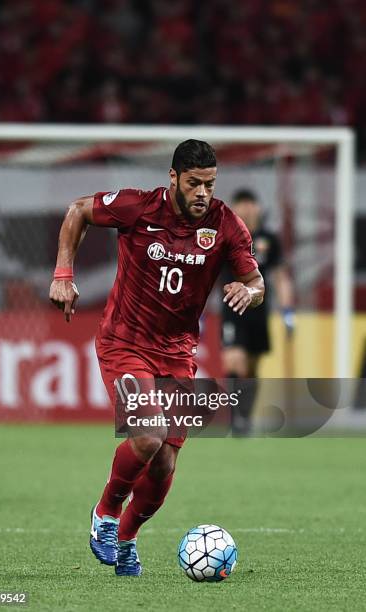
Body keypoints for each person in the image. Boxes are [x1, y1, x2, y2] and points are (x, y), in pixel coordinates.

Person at [49, 140, 264, 576]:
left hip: (178, 354)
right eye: (194, 183)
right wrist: (63, 274)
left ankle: (126, 538)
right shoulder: (138, 208)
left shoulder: (226, 225)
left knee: (164, 461)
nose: (203, 192)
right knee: (148, 435)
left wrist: (251, 291)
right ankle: (105, 514)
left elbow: (255, 280)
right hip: (125, 343)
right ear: (174, 178)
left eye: (210, 183)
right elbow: (77, 211)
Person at [221, 188, 294, 435]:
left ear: (258, 207)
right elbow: (207, 276)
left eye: (250, 203)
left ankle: (245, 416)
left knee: (251, 368)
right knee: (235, 361)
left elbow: (281, 277)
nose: (246, 208)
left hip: (258, 311)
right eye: (241, 204)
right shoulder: (225, 237)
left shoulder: (268, 240)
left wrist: (287, 312)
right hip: (232, 310)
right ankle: (234, 420)